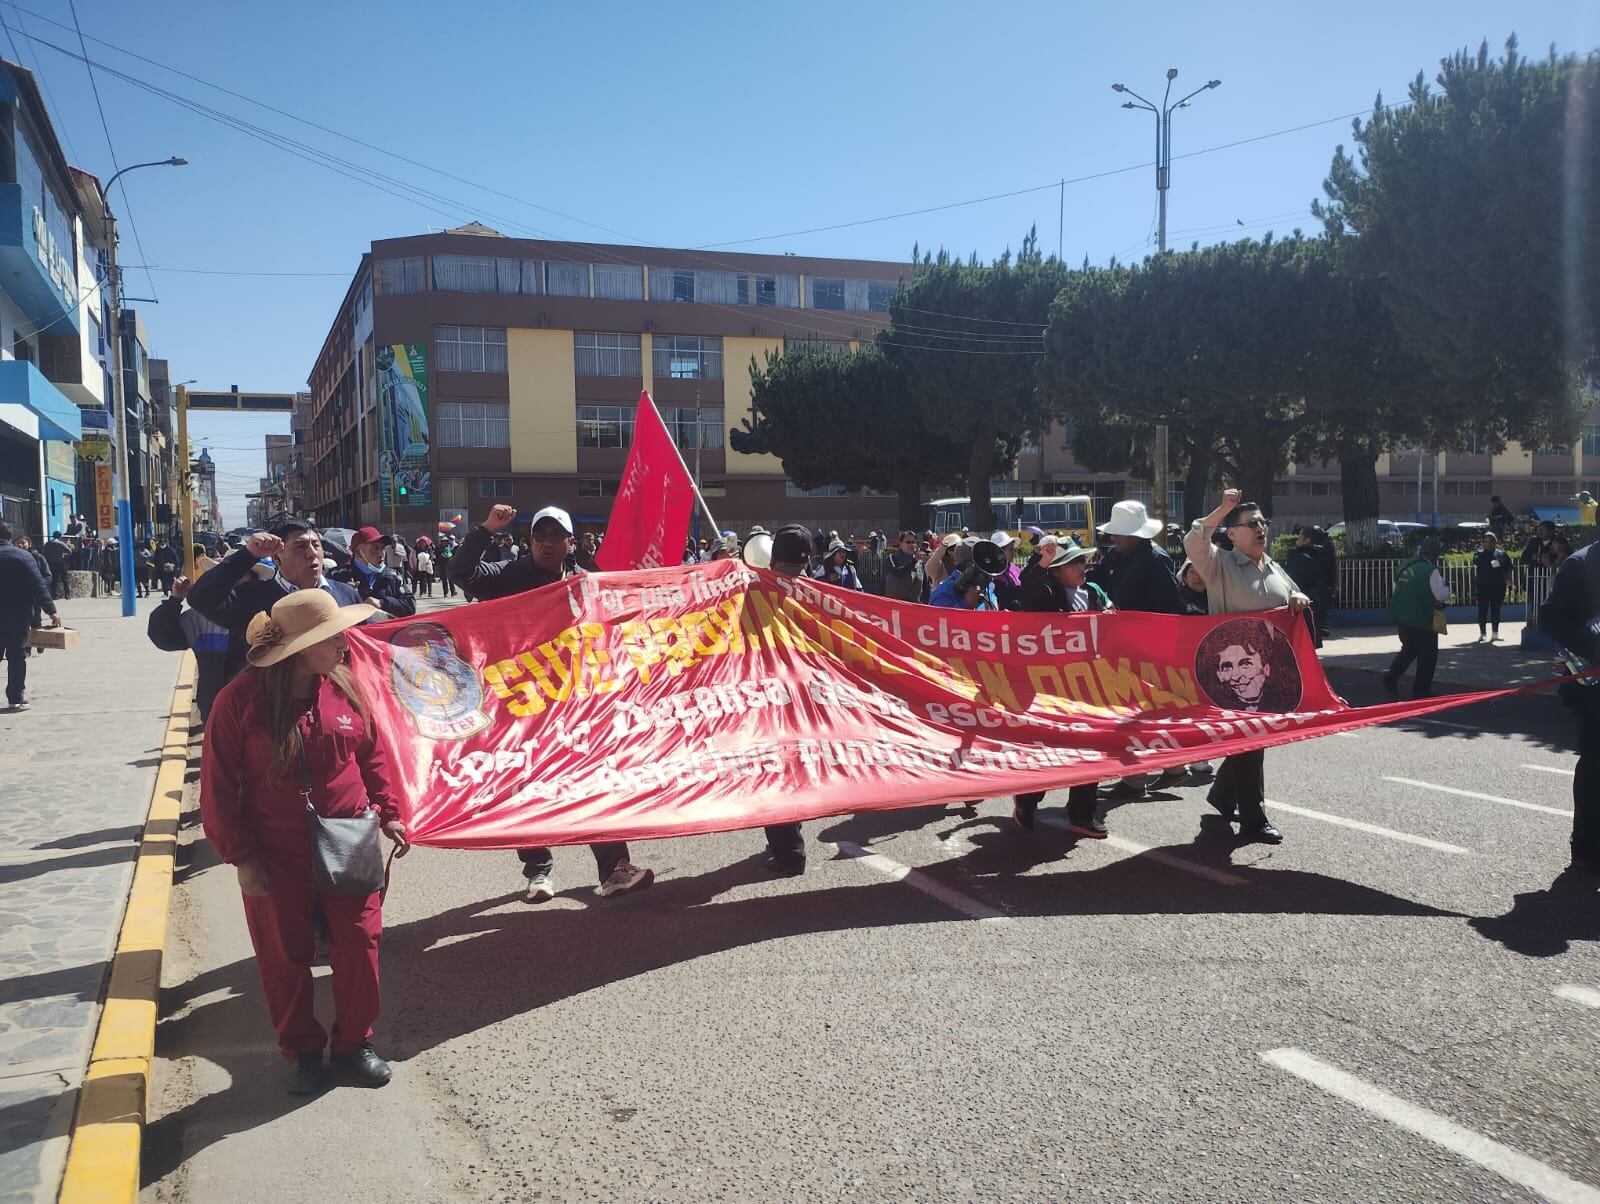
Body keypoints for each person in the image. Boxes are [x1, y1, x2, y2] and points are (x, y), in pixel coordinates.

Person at [200, 590, 409, 1093]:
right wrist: (241, 857)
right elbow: (218, 784)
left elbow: (375, 755)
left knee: (360, 944)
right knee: (284, 954)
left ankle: (354, 1044)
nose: (343, 641)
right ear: (298, 646)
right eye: (330, 635)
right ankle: (304, 1052)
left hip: (350, 838)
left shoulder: (346, 687)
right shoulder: (239, 701)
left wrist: (392, 813)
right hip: (275, 850)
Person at [450, 502, 653, 901]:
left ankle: (614, 870)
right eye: (539, 537)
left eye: (555, 537)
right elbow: (460, 573)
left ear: (569, 542)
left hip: (576, 699)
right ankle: (538, 870)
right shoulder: (509, 574)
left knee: (594, 777)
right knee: (523, 783)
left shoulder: (584, 579)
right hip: (519, 702)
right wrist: (487, 529)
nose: (545, 544)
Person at [1184, 490, 1313, 844]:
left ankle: (1223, 796)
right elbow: (1193, 538)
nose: (1261, 529)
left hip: (1267, 672)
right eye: (1251, 524)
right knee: (1250, 743)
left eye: (1263, 523)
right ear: (1232, 534)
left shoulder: (1272, 565)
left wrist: (1297, 598)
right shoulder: (1219, 564)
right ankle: (1254, 819)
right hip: (1231, 674)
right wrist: (1224, 508)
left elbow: (1292, 597)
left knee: (1252, 743)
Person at [188, 520, 365, 681]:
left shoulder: (347, 595)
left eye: (316, 545)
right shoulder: (252, 598)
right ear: (276, 557)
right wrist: (248, 555)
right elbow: (200, 598)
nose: (311, 553)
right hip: (274, 707)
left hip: (337, 708)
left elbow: (363, 652)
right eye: (300, 546)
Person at [1092, 500, 1189, 793]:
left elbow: (1170, 611)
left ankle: (1136, 778)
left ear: (1138, 534)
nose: (1113, 537)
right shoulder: (1115, 556)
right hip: (1121, 647)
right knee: (1135, 712)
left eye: (1120, 532)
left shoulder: (1155, 560)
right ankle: (1172, 766)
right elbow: (1094, 581)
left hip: (1148, 651)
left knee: (1136, 713)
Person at [1013, 541, 1109, 837]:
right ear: (1056, 572)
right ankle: (1027, 799)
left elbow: (1115, 623)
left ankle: (1082, 813)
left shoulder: (1093, 592)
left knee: (1090, 747)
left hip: (1088, 684)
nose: (1083, 566)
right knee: (1047, 746)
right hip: (1049, 686)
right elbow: (1026, 593)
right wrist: (1041, 563)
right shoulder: (1046, 594)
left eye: (1083, 560)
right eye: (1075, 562)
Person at [758, 524, 820, 876]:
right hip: (810, 698)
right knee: (799, 764)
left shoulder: (757, 593)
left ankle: (789, 850)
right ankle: (792, 832)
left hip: (770, 698)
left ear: (773, 557)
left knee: (777, 770)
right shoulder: (820, 594)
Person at [1536, 538, 1600, 873]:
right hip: (1592, 683)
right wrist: (1593, 644)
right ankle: (1586, 845)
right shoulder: (1580, 564)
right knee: (1596, 761)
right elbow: (1551, 618)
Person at [147, 570, 232, 720]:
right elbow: (162, 636)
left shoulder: (271, 613)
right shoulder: (201, 619)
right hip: (216, 711)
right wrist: (174, 601)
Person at [0, 522, 60, 711]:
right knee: (17, 655)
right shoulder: (23, 557)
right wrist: (51, 611)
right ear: (11, 537)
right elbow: (38, 584)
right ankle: (15, 698)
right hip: (17, 615)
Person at [1383, 536, 1451, 699]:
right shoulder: (1431, 570)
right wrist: (1447, 587)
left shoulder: (1404, 565)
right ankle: (1421, 691)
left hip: (1402, 617)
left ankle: (1391, 677)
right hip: (1422, 619)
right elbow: (1441, 595)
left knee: (1409, 650)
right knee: (1428, 656)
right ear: (1435, 554)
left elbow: (1395, 590)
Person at [330, 528, 417, 620]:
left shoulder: (394, 576)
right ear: (358, 553)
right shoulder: (337, 575)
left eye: (382, 548)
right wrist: (342, 592)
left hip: (382, 632)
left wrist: (382, 603)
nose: (381, 554)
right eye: (375, 548)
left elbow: (410, 606)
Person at [1285, 529, 1330, 647]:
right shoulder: (1323, 556)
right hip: (1316, 605)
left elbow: (1292, 582)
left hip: (1300, 606)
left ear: (1307, 540)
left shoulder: (1298, 557)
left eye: (1300, 537)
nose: (1297, 540)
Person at [1472, 531, 1515, 641]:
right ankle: (1482, 633)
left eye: (1491, 541)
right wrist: (1496, 563)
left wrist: (1510, 579)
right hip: (1483, 586)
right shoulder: (1478, 553)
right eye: (1486, 542)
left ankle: (1495, 633)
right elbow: (1478, 562)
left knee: (1496, 610)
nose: (1488, 544)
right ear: (1483, 543)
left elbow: (1508, 567)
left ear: (1495, 542)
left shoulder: (1502, 554)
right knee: (1482, 610)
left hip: (1498, 586)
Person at [881, 530, 926, 603]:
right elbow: (897, 573)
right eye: (908, 542)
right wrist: (913, 562)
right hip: (896, 605)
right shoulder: (892, 558)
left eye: (914, 542)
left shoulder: (919, 562)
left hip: (914, 606)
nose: (911, 545)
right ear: (901, 544)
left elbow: (925, 586)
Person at [42, 532, 70, 600]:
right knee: (65, 579)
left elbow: (44, 552)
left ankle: (54, 595)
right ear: (59, 537)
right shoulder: (61, 543)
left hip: (52, 563)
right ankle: (67, 594)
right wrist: (65, 557)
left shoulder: (48, 543)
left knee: (54, 579)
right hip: (61, 562)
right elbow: (69, 551)